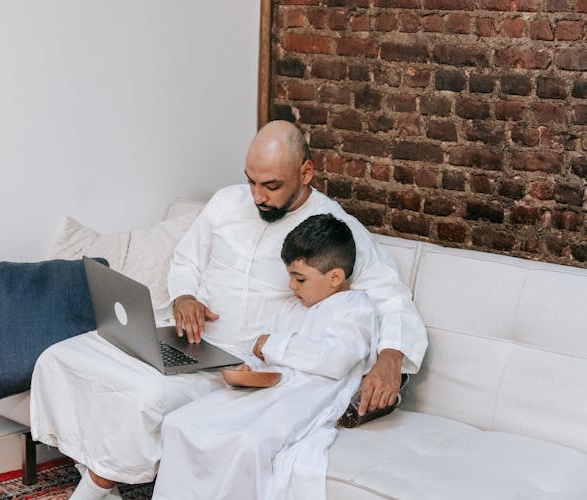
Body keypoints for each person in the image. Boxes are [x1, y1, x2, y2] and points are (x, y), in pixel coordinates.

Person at [29, 121, 427, 499]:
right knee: (62, 358)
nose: (257, 196)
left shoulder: (334, 227)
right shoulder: (225, 202)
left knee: (143, 397)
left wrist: (390, 356)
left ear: (306, 172)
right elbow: (186, 261)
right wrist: (185, 297)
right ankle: (102, 474)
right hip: (183, 336)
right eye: (251, 181)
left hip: (236, 363)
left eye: (271, 186)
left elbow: (389, 296)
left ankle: (96, 486)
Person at [153, 213, 378, 500]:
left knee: (247, 443)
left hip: (305, 398)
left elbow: (336, 360)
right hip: (264, 390)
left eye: (299, 279)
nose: (291, 286)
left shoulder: (355, 309)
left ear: (335, 277)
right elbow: (261, 351)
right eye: (290, 277)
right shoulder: (292, 307)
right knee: (180, 422)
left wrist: (273, 346)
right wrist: (249, 366)